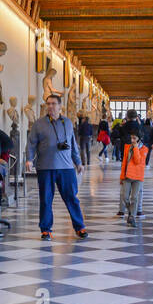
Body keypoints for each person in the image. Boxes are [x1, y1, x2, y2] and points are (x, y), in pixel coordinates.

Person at [24, 93, 88, 240]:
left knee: (71, 197)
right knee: (46, 199)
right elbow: (31, 143)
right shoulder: (39, 124)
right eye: (48, 104)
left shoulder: (68, 123)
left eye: (53, 104)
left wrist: (78, 162)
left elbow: (73, 145)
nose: (50, 106)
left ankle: (80, 227)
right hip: (45, 167)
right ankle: (45, 229)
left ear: (60, 106)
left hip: (66, 168)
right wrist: (29, 159)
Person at [119, 131, 147, 226]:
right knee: (125, 197)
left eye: (134, 138)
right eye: (131, 138)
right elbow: (124, 163)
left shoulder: (144, 149)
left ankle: (132, 217)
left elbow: (137, 160)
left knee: (134, 197)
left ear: (139, 138)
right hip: (127, 176)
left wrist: (135, 148)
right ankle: (131, 213)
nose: (132, 140)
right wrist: (122, 176)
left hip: (138, 177)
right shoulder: (127, 147)